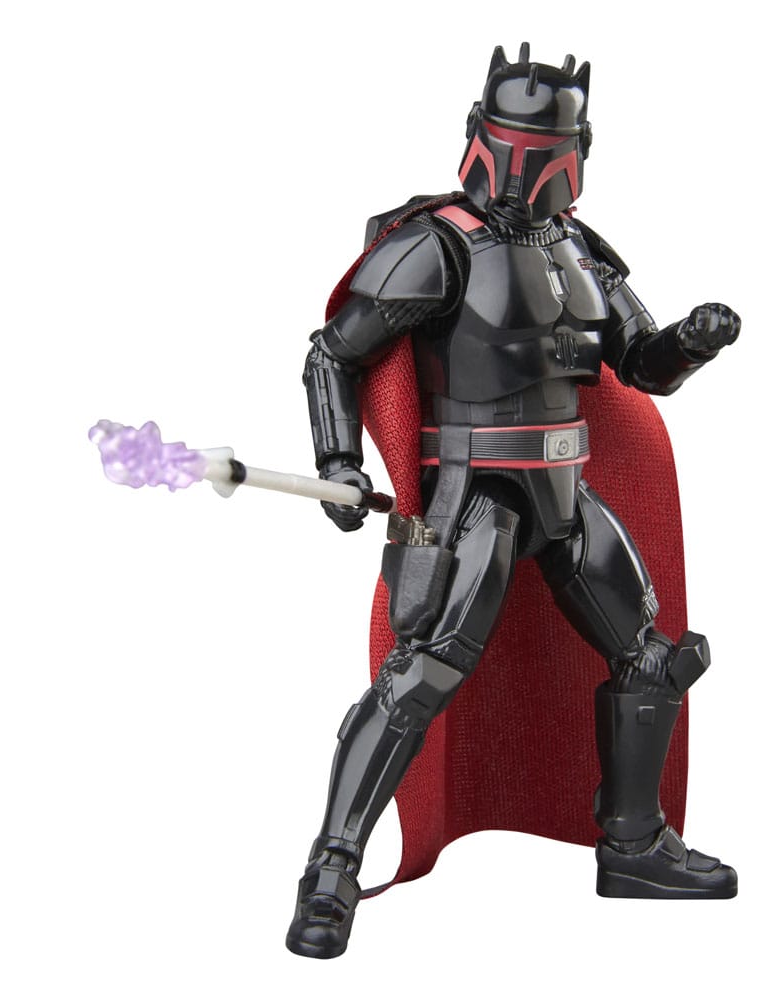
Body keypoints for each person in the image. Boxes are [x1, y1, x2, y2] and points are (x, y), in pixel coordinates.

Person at [288, 43, 739, 959]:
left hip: (566, 494)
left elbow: (640, 366)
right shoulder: (438, 244)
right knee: (420, 676)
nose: (531, 166)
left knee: (651, 657)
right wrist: (338, 458)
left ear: (578, 149)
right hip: (475, 497)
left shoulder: (580, 250)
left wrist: (692, 342)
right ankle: (330, 873)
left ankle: (634, 844)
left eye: (549, 145)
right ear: (481, 137)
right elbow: (333, 352)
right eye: (517, 142)